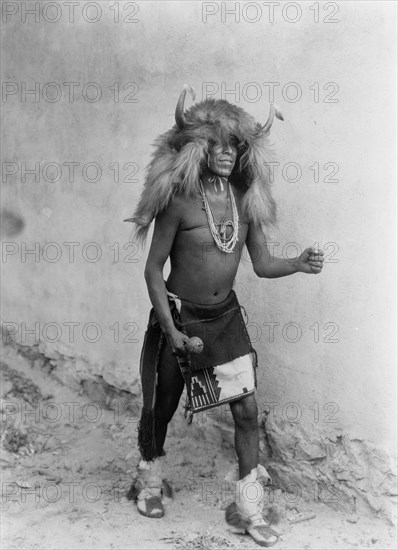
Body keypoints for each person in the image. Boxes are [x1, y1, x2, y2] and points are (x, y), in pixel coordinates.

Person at [125, 87, 324, 547]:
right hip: (180, 318)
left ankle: (248, 506)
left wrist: (296, 262)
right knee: (162, 405)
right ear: (198, 148)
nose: (226, 153)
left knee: (248, 410)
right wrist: (171, 331)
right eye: (216, 143)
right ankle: (148, 478)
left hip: (226, 319)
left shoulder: (246, 200)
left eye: (234, 144)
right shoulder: (178, 200)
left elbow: (262, 264)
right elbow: (153, 270)